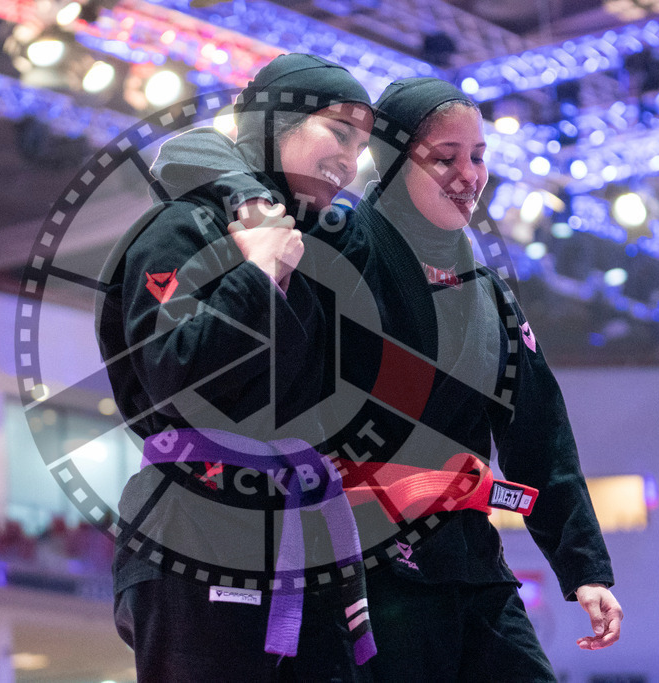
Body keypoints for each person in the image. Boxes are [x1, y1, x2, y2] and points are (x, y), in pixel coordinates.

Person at [151, 77, 623, 681]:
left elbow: (539, 431)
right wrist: (248, 200)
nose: (468, 174)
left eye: (478, 156)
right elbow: (188, 153)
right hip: (366, 559)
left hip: (470, 558)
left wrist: (585, 568)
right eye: (444, 158)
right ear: (397, 159)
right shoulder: (341, 239)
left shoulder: (489, 293)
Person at [96, 54, 375, 682]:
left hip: (302, 535)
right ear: (276, 123)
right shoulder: (178, 229)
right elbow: (175, 373)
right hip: (192, 529)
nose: (350, 159)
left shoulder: (321, 250)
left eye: (360, 144)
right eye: (338, 132)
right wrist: (257, 274)